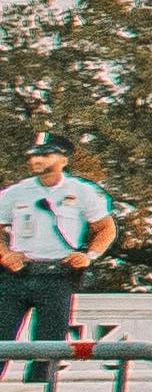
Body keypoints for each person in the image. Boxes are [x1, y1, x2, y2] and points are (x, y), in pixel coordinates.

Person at [6, 130, 120, 368]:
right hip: (17, 275)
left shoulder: (82, 191)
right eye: (33, 155)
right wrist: (5, 254)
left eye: (46, 155)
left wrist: (89, 256)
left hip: (56, 274)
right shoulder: (17, 192)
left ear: (63, 159)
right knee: (2, 338)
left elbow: (106, 229)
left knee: (49, 346)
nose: (36, 160)